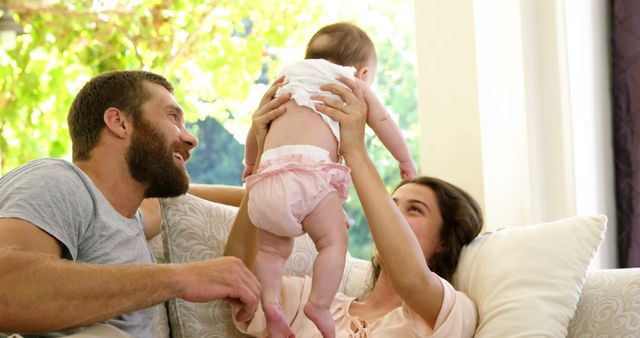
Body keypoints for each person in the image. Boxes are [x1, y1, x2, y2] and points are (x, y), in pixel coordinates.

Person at [0, 70, 287, 337]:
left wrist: (264, 159)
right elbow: (6, 290)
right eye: (173, 117)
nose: (190, 138)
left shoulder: (133, 212)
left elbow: (191, 197)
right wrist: (180, 278)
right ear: (119, 122)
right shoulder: (56, 180)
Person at [225, 75, 483, 337]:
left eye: (415, 209)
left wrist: (355, 149)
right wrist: (269, 159)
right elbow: (235, 278)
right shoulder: (303, 299)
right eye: (391, 205)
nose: (390, 215)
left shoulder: (449, 313)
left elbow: (412, 281)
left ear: (444, 241)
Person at [242, 22, 417, 338]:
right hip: (311, 174)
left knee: (270, 252)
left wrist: (250, 163)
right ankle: (319, 305)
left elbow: (258, 126)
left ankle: (271, 305)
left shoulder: (286, 81)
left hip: (266, 179)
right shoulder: (349, 82)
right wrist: (404, 160)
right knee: (333, 242)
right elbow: (382, 121)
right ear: (362, 73)